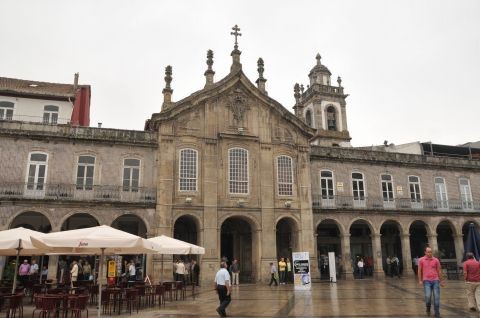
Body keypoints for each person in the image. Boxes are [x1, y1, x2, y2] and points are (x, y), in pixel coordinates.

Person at [418, 247, 444, 318]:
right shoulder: (421, 260)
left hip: (435, 280)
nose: (430, 253)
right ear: (425, 252)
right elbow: (419, 271)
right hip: (426, 280)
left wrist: (441, 281)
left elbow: (439, 270)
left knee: (436, 297)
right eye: (428, 252)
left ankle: (437, 313)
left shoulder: (436, 260)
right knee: (428, 296)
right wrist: (420, 280)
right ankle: (428, 307)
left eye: (431, 252)